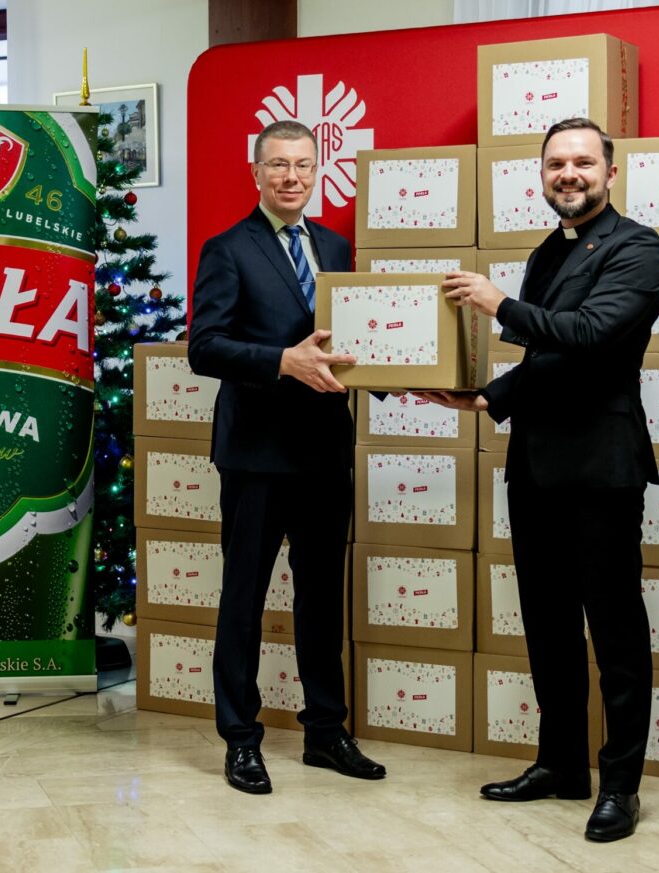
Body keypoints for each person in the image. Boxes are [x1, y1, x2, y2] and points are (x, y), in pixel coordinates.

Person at [417, 117, 659, 842]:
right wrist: (484, 398)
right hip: (534, 466)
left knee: (615, 632)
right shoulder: (545, 252)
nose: (569, 174)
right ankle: (560, 764)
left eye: (583, 161)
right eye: (556, 163)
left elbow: (592, 337)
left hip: (601, 468)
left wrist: (497, 304)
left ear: (610, 172)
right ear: (543, 175)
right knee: (547, 626)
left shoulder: (636, 247)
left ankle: (620, 785)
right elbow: (545, 361)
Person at [188, 119, 386, 795]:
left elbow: (352, 338)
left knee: (322, 600)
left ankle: (326, 731)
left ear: (316, 171)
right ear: (256, 171)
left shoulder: (334, 246)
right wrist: (282, 361)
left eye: (303, 164)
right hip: (256, 454)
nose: (291, 177)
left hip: (325, 452)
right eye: (278, 164)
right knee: (244, 599)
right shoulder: (227, 249)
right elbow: (205, 347)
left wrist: (402, 371)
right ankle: (240, 739)